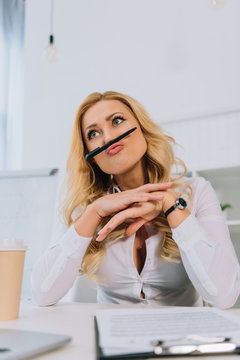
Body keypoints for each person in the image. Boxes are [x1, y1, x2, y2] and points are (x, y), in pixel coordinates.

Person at [31, 91, 240, 308]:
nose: (108, 138)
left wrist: (169, 203)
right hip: (110, 336)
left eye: (117, 121)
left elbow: (224, 295)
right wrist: (94, 212)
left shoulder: (197, 192)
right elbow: (41, 294)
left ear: (141, 127)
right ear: (90, 155)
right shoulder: (86, 206)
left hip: (181, 337)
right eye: (93, 133)